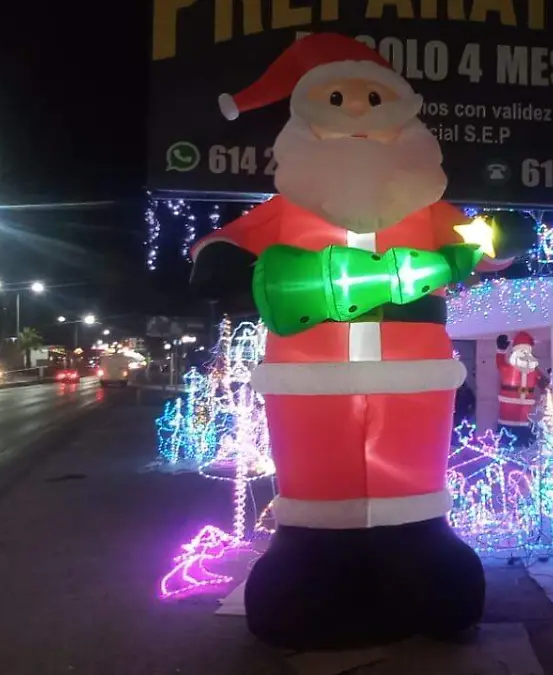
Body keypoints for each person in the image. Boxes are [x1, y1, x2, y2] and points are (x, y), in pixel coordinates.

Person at [190, 34, 533, 649]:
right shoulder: (285, 208)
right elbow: (225, 241)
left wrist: (503, 238)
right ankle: (311, 557)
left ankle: (422, 554)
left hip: (412, 380)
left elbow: (482, 247)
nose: (354, 110)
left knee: (413, 479)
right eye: (336, 99)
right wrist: (218, 256)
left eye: (372, 99)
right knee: (318, 478)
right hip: (310, 376)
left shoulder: (430, 209)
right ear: (305, 122)